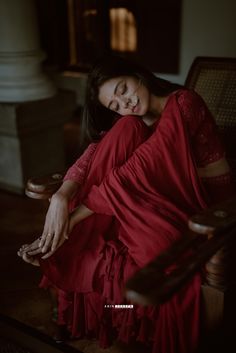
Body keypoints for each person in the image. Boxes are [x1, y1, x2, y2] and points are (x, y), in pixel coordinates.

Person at [18, 54, 235, 353]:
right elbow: (92, 156)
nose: (125, 104)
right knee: (124, 131)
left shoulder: (184, 102)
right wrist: (61, 196)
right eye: (114, 105)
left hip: (205, 205)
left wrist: (71, 219)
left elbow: (136, 173)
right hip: (158, 196)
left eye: (122, 89)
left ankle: (60, 241)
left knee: (123, 154)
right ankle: (61, 244)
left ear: (137, 74)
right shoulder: (133, 121)